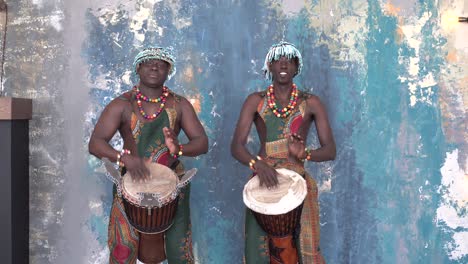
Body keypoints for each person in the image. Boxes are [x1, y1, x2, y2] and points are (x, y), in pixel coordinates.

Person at [89, 47, 208, 264]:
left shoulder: (179, 104)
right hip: (129, 185)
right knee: (122, 250)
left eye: (161, 64)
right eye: (148, 62)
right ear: (138, 68)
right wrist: (122, 158)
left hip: (172, 186)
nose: (155, 66)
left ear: (168, 71)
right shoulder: (122, 104)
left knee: (179, 252)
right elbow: (95, 143)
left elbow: (202, 142)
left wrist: (178, 149)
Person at [231, 41, 336, 263]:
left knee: (300, 249)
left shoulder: (311, 103)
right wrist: (257, 164)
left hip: (297, 181)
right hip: (263, 177)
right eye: (278, 60)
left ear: (297, 67)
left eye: (290, 60)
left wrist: (305, 154)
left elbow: (330, 150)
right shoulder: (256, 101)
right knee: (258, 250)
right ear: (269, 65)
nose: (284, 64)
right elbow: (236, 146)